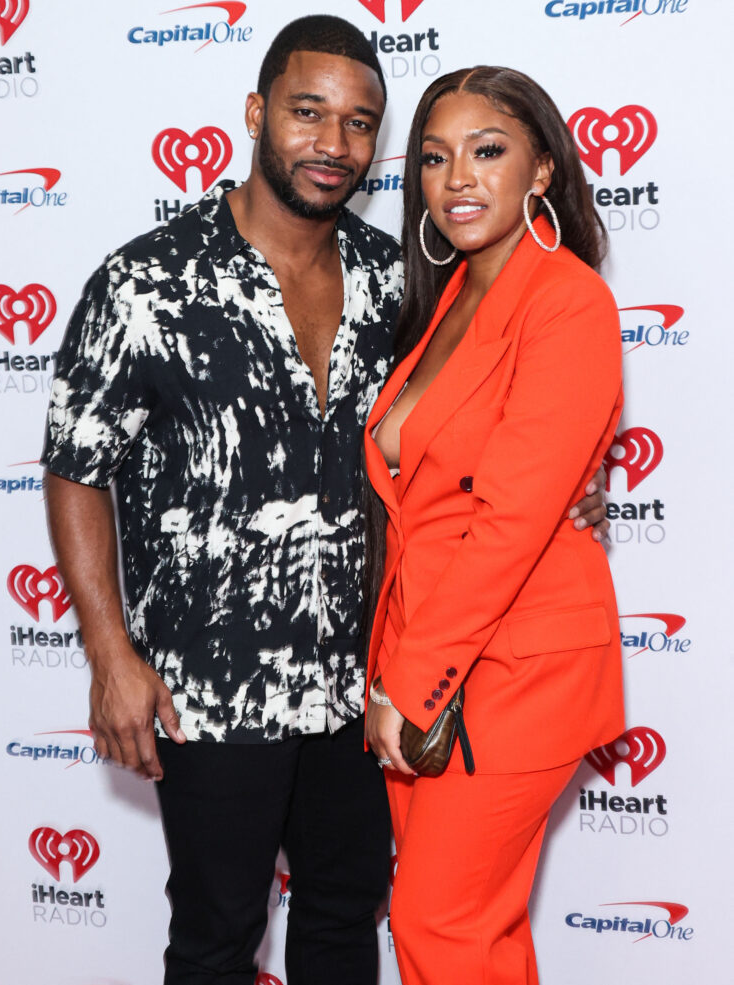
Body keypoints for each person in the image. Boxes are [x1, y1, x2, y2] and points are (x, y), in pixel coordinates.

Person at [41, 17, 610, 985]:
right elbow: (75, 465)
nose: (331, 143)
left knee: (349, 919)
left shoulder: (400, 279)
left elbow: (477, 427)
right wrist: (109, 652)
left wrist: (571, 484)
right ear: (256, 113)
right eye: (307, 112)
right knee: (217, 936)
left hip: (363, 677)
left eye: (358, 123)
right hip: (210, 684)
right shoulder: (146, 280)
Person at [364, 66, 625, 985]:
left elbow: (510, 519)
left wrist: (412, 683)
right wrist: (394, 667)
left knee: (439, 922)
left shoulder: (567, 300)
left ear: (542, 170)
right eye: (435, 158)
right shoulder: (446, 300)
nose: (458, 179)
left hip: (513, 671)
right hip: (429, 655)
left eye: (488, 151)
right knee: (479, 933)